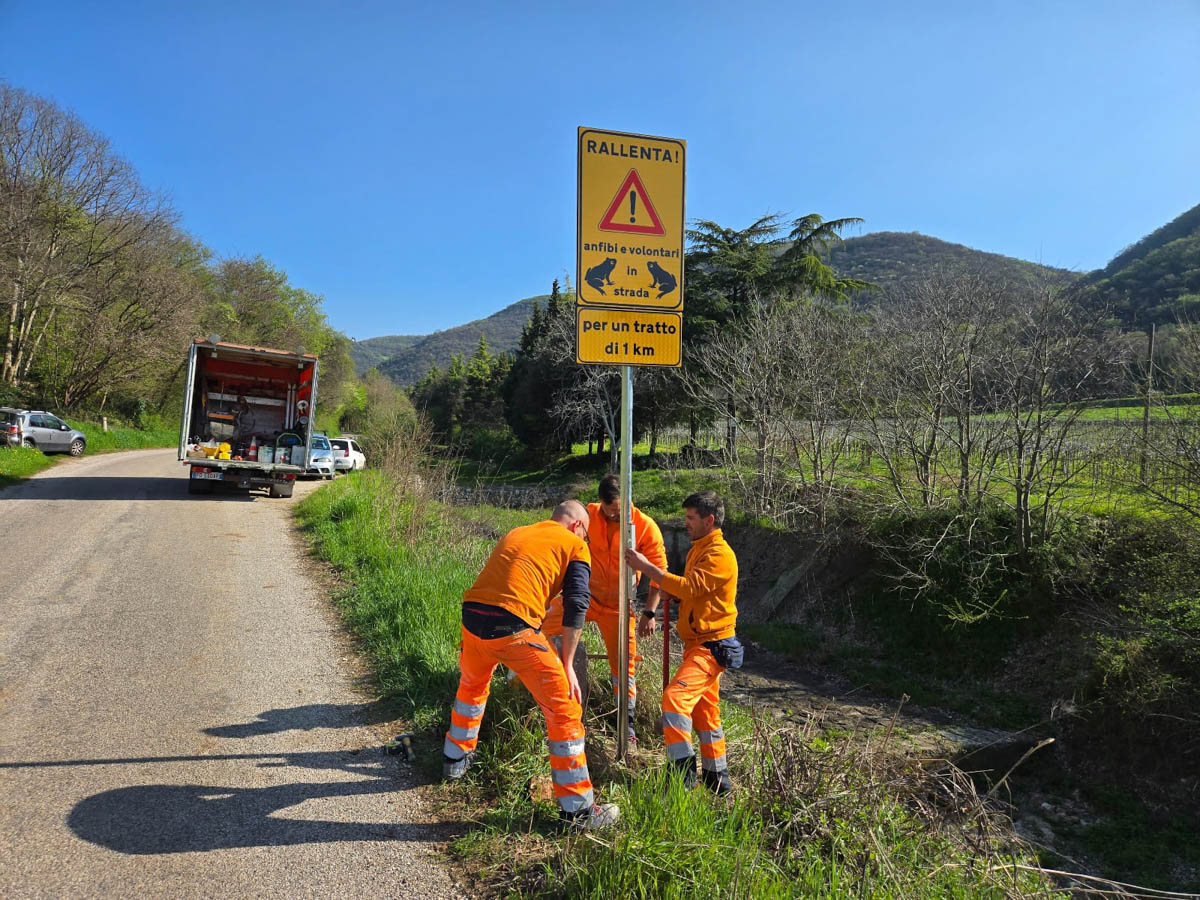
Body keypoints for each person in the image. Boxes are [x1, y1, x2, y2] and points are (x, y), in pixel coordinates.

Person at [442, 499, 619, 829]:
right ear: (578, 527)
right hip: (513, 627)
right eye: (586, 536)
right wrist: (566, 663)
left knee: (471, 687)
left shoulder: (521, 531)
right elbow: (577, 603)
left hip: (472, 619)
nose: (585, 543)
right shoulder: (574, 545)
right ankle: (578, 811)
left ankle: (455, 761)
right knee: (565, 708)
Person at [625, 490, 741, 794]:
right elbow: (698, 593)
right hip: (698, 643)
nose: (685, 523)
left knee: (674, 700)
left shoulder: (719, 554)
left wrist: (649, 569)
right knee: (706, 716)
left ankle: (682, 774)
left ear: (709, 520)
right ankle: (718, 782)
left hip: (711, 645)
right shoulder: (699, 549)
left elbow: (692, 587)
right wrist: (672, 592)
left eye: (691, 518)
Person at [542, 474, 668, 743]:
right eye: (607, 510)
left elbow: (659, 573)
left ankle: (627, 723)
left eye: (617, 511)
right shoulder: (588, 515)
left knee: (624, 663)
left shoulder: (645, 527)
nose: (612, 516)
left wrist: (649, 612)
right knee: (540, 627)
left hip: (619, 607)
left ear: (628, 503)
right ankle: (542, 690)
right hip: (585, 597)